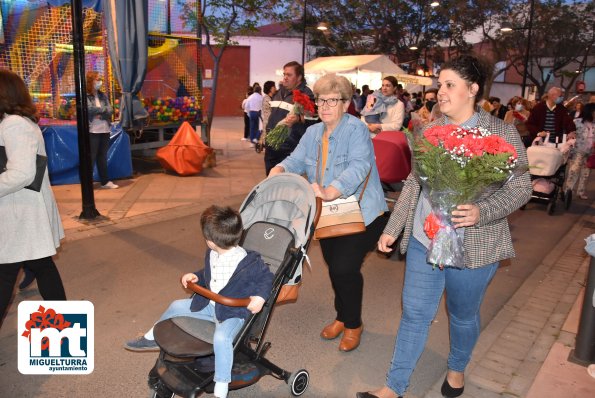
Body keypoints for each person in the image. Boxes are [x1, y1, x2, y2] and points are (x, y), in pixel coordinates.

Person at [357, 55, 532, 398]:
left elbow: (521, 187)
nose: (441, 92)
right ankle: (394, 387)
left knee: (462, 315)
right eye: (440, 85)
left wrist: (483, 210)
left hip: (473, 246)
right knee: (414, 314)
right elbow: (413, 183)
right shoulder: (430, 130)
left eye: (450, 85)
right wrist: (393, 227)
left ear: (473, 89)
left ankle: (456, 367)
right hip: (426, 239)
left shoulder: (501, 132)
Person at [269, 74, 388, 352]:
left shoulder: (356, 130)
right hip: (328, 213)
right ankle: (342, 316)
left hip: (362, 213)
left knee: (343, 267)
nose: (324, 106)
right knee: (336, 269)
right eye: (321, 100)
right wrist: (279, 170)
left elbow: (359, 166)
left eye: (332, 101)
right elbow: (296, 160)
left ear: (345, 104)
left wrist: (332, 190)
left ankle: (354, 324)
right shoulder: (312, 132)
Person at [125, 205, 273, 398]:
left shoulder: (248, 262)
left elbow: (266, 278)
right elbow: (209, 275)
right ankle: (151, 337)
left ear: (210, 241)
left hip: (232, 313)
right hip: (209, 306)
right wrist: (194, 276)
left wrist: (260, 297)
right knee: (176, 306)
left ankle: (222, 383)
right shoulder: (212, 254)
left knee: (222, 339)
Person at [0, 69, 66, 326]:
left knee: (6, 274)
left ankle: (60, 331)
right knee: (41, 266)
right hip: (22, 211)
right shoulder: (15, 122)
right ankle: (60, 330)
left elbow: (22, 173)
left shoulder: (14, 125)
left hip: (21, 211)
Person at [263, 61, 317, 175]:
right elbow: (271, 116)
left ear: (299, 77)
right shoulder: (278, 93)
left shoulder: (306, 94)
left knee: (286, 185)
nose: (285, 78)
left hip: (289, 150)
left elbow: (315, 120)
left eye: (289, 75)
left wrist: (299, 119)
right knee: (270, 183)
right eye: (284, 74)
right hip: (272, 146)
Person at [86, 71, 118, 189]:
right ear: (91, 81)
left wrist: (100, 112)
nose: (99, 82)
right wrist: (103, 111)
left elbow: (110, 110)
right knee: (91, 157)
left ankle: (105, 181)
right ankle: (87, 183)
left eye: (100, 79)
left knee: (102, 156)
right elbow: (89, 109)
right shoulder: (86, 96)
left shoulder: (102, 95)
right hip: (93, 130)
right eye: (97, 79)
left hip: (104, 129)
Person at [564, 102, 595, 200]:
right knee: (574, 170)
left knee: (586, 172)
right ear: (589, 112)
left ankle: (580, 191)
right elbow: (570, 133)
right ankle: (568, 190)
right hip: (578, 150)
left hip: (590, 151)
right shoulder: (577, 122)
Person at [258, 81, 277, 148]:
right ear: (270, 89)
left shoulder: (273, 97)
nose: (275, 88)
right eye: (274, 87)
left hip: (271, 121)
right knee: (267, 138)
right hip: (268, 122)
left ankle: (261, 143)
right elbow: (273, 111)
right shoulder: (267, 99)